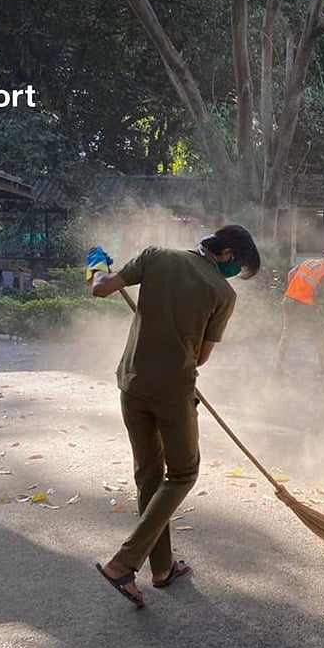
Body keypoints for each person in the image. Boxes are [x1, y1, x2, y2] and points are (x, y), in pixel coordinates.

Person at [86, 225, 261, 608]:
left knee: (150, 476)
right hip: (173, 393)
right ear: (227, 254)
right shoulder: (223, 293)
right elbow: (200, 358)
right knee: (182, 474)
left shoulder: (155, 256)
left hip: (132, 386)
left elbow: (101, 288)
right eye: (239, 268)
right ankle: (124, 562)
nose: (236, 277)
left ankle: (162, 569)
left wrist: (97, 267)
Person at [274, 249, 324, 376]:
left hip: (289, 300)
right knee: (320, 334)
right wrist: (315, 308)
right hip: (305, 306)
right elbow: (316, 293)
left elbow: (291, 274)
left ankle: (278, 367)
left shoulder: (307, 262)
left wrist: (294, 292)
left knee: (287, 334)